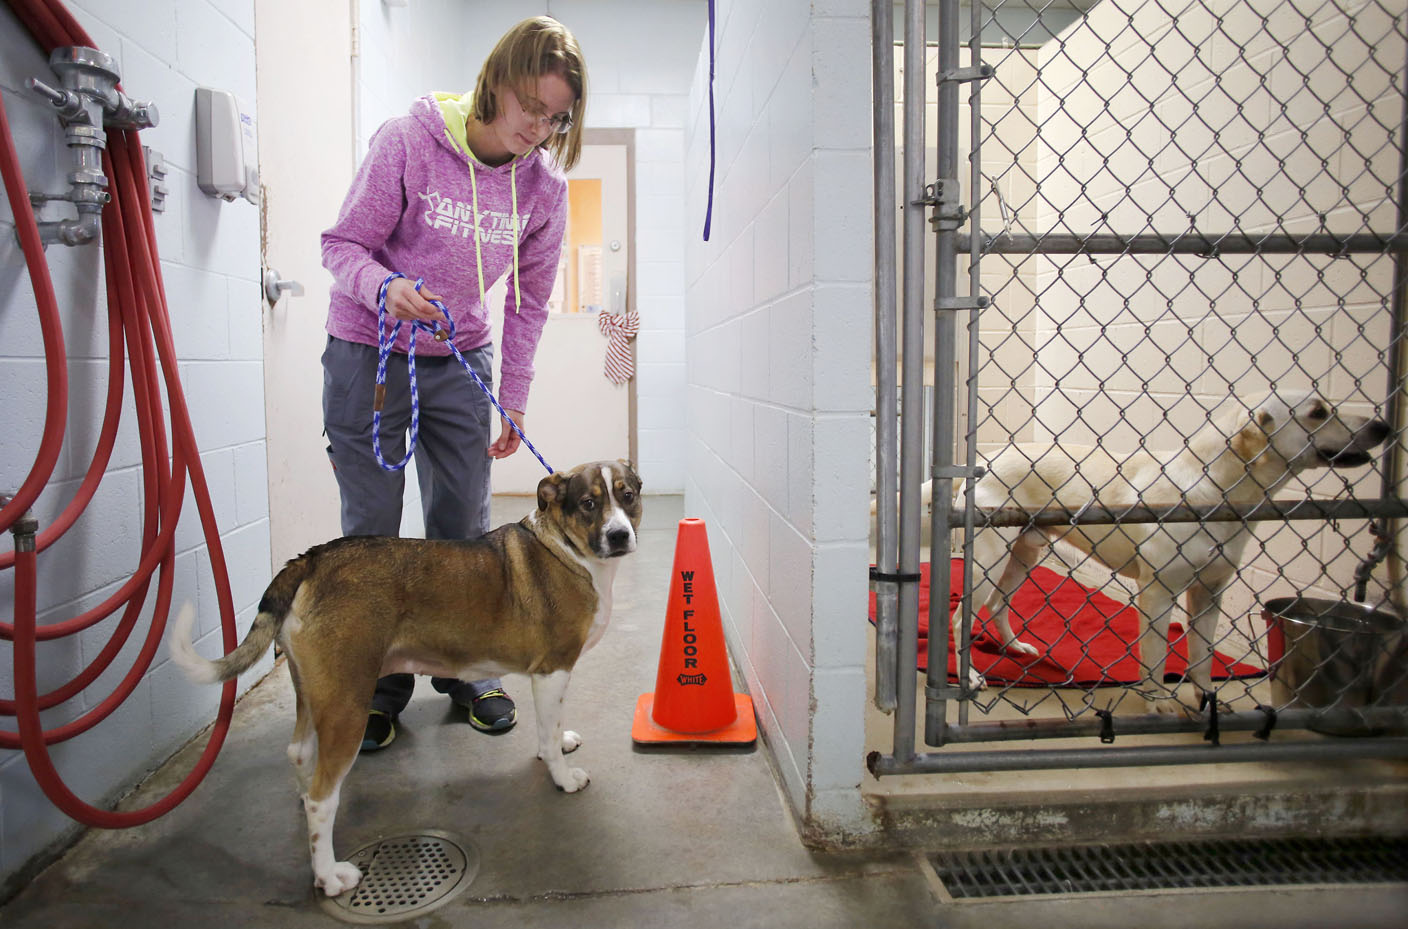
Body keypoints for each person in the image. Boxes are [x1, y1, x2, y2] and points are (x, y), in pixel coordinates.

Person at [319, 15, 587, 752]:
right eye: (531, 104)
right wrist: (384, 286)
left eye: (556, 115)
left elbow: (528, 303)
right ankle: (380, 681)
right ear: (496, 81)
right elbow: (340, 245)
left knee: (465, 530)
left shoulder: (543, 190)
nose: (539, 126)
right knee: (372, 534)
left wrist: (518, 391)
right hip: (369, 349)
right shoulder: (408, 142)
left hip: (460, 359)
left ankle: (466, 671)